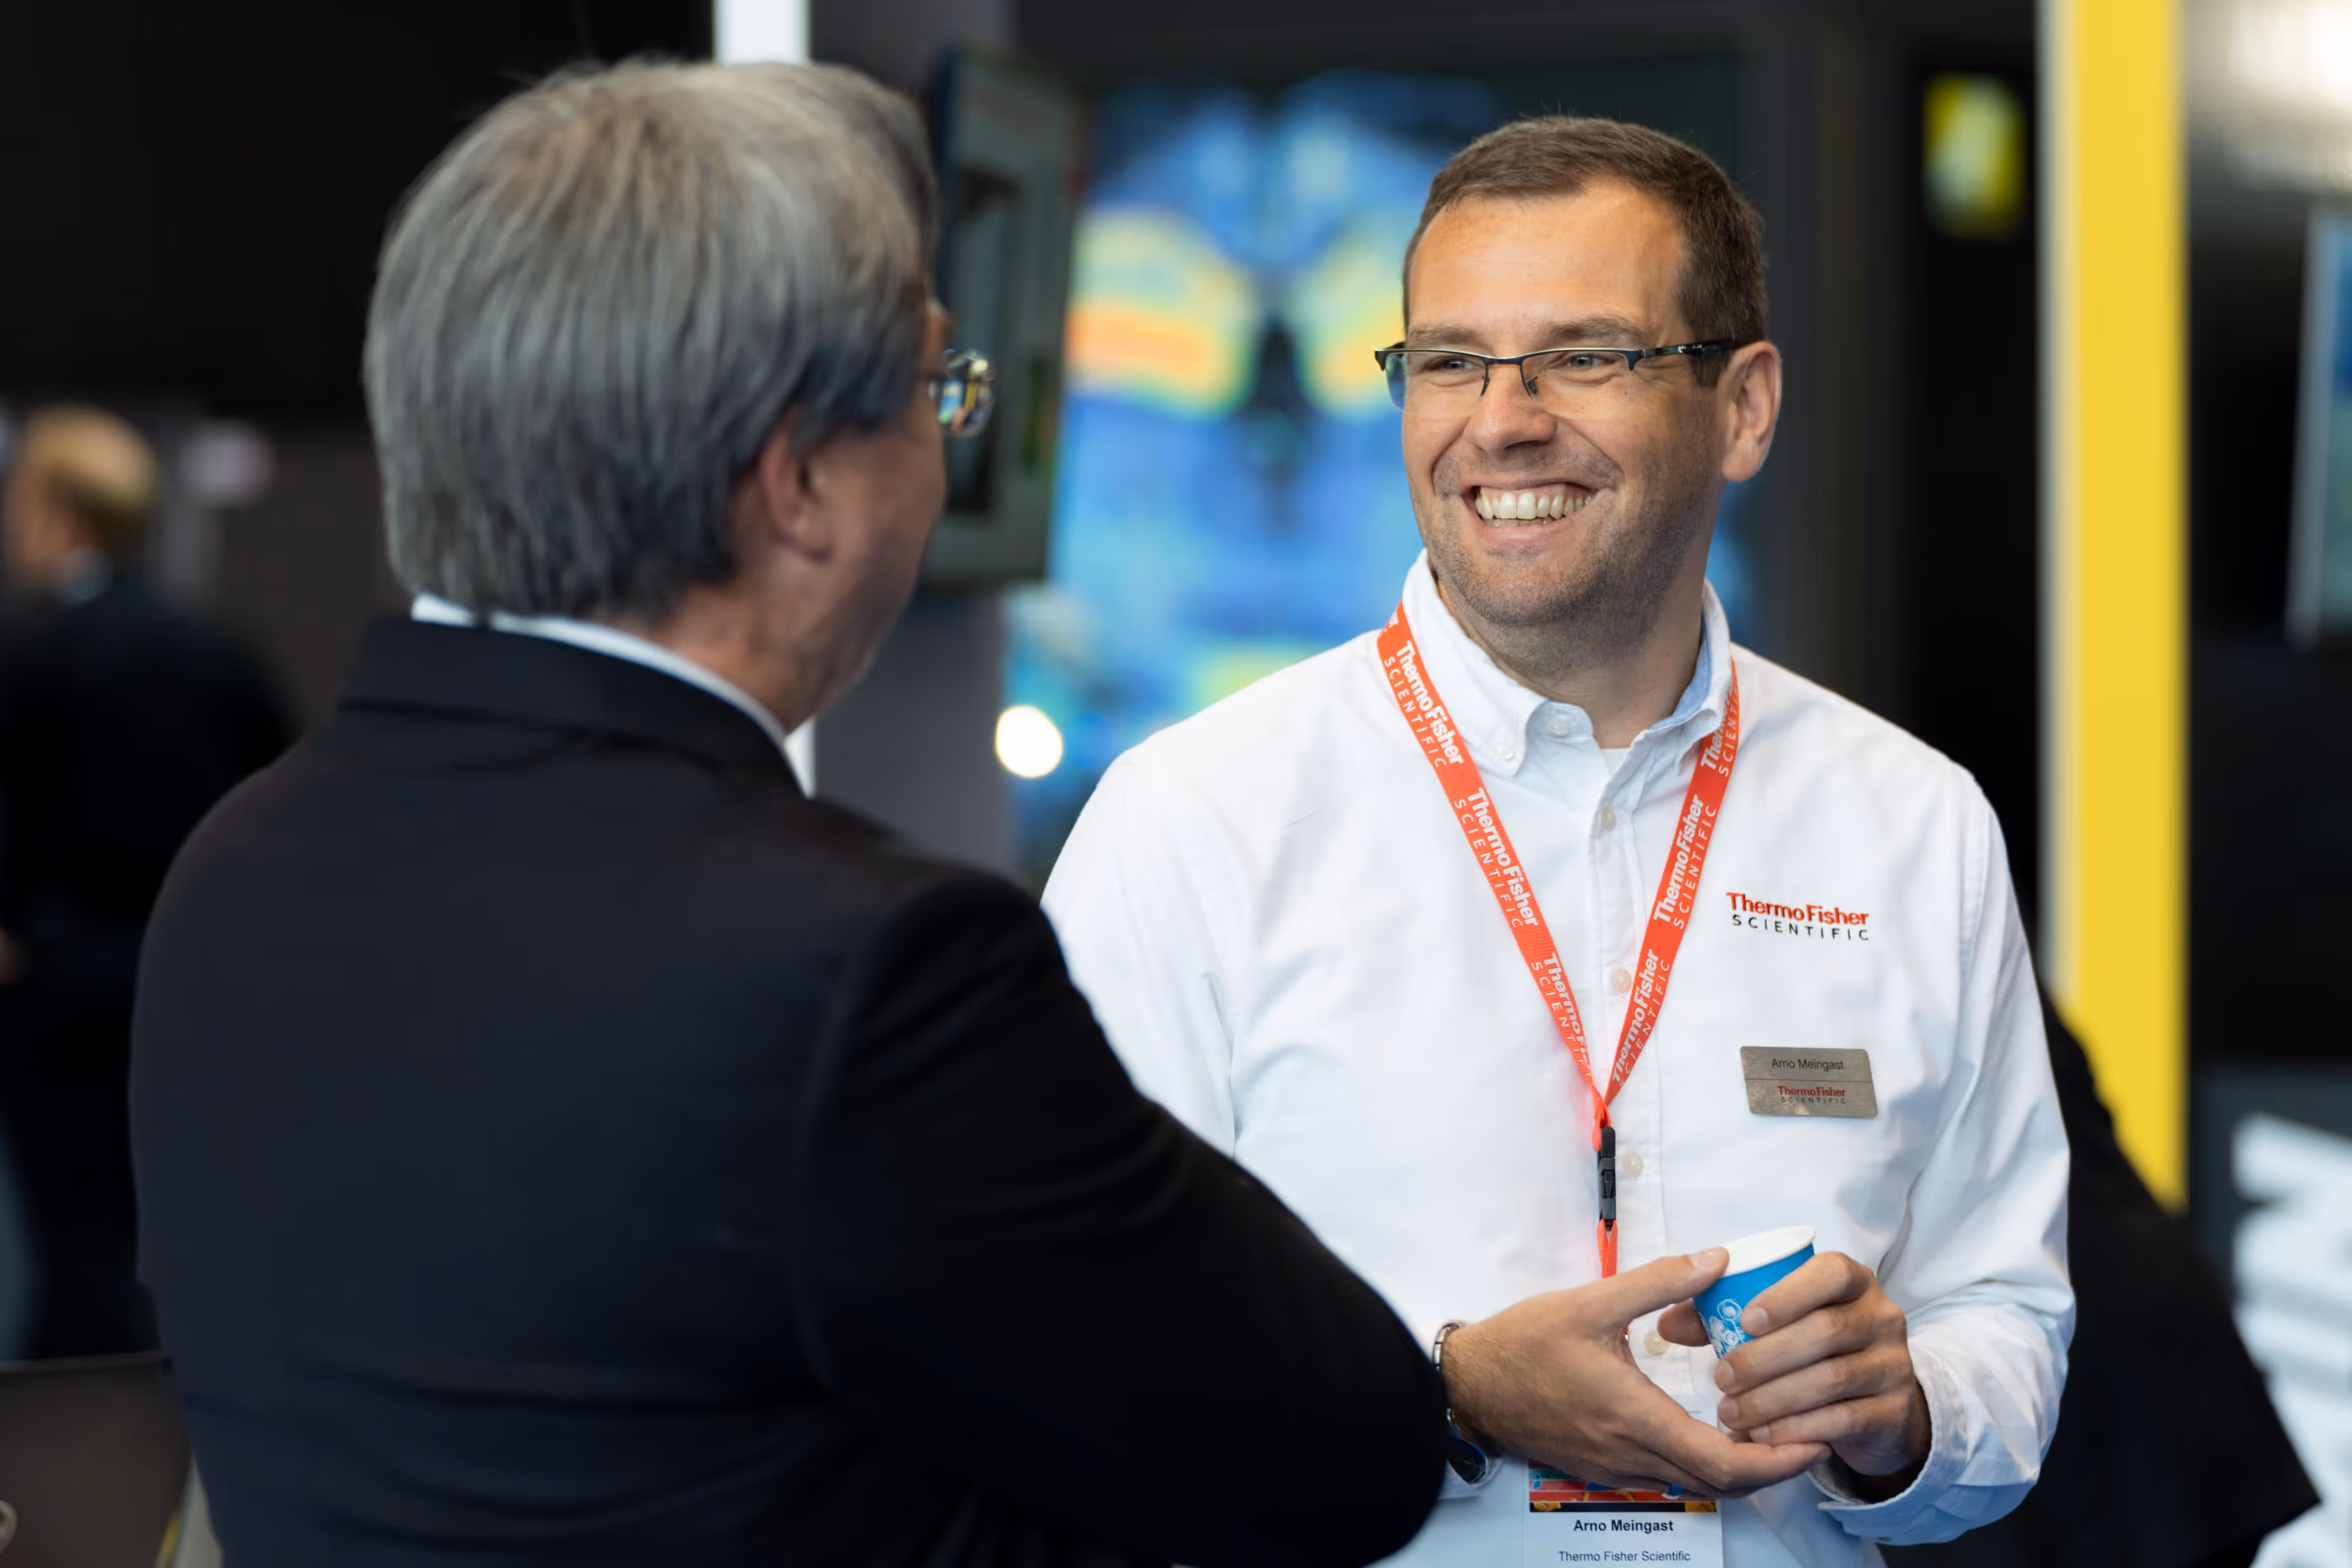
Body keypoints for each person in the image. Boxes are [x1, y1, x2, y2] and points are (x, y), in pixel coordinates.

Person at [128, 65, 1825, 1568]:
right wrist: (1458, 1381)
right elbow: (1311, 1454)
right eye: (938, 402)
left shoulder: (241, 870)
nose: (952, 470)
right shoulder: (864, 970)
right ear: (799, 485)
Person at [1043, 116, 2075, 1567]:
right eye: (1451, 360)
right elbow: (1068, 1359)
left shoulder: (1908, 822)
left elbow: (2006, 1323)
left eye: (1584, 355)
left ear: (1743, 408)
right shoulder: (1193, 820)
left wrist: (1901, 1409)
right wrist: (1446, 1392)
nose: (1502, 419)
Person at [0, 406, 286, 1358]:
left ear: (53, 513)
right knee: (176, 1241)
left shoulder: (35, 659)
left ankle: (81, 1485)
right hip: (197, 988)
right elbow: (272, 810)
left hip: (64, 988)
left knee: (77, 1256)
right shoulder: (220, 655)